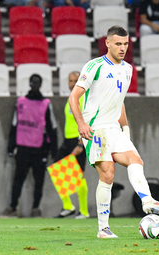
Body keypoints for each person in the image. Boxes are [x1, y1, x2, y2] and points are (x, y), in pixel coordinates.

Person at [69, 25, 159, 238]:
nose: (122, 48)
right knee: (108, 175)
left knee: (136, 160)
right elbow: (74, 97)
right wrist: (81, 124)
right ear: (107, 43)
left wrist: (125, 128)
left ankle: (147, 202)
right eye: (118, 43)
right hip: (96, 128)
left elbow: (120, 101)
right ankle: (103, 229)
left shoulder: (127, 69)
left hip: (114, 128)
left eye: (125, 44)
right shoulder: (94, 66)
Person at [1, 74, 58, 218]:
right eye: (33, 82)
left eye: (37, 82)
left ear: (40, 84)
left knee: (39, 181)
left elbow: (52, 128)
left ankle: (36, 209)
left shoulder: (46, 104)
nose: (35, 85)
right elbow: (14, 125)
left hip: (39, 149)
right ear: (29, 83)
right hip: (23, 148)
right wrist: (10, 147)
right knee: (18, 180)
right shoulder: (20, 102)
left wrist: (53, 150)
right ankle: (13, 207)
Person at [54, 71, 89, 219]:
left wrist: (81, 143)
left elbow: (87, 119)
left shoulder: (83, 98)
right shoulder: (72, 98)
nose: (73, 83)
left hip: (78, 139)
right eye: (70, 80)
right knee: (58, 168)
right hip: (68, 140)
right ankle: (68, 206)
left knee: (78, 174)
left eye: (76, 80)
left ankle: (84, 211)